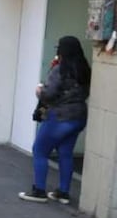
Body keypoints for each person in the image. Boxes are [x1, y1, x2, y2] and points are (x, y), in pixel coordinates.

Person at [19, 35, 91, 204]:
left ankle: (39, 191)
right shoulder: (84, 69)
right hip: (78, 116)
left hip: (59, 117)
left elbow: (49, 94)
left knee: (40, 150)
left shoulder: (60, 69)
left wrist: (39, 90)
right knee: (65, 152)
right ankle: (63, 193)